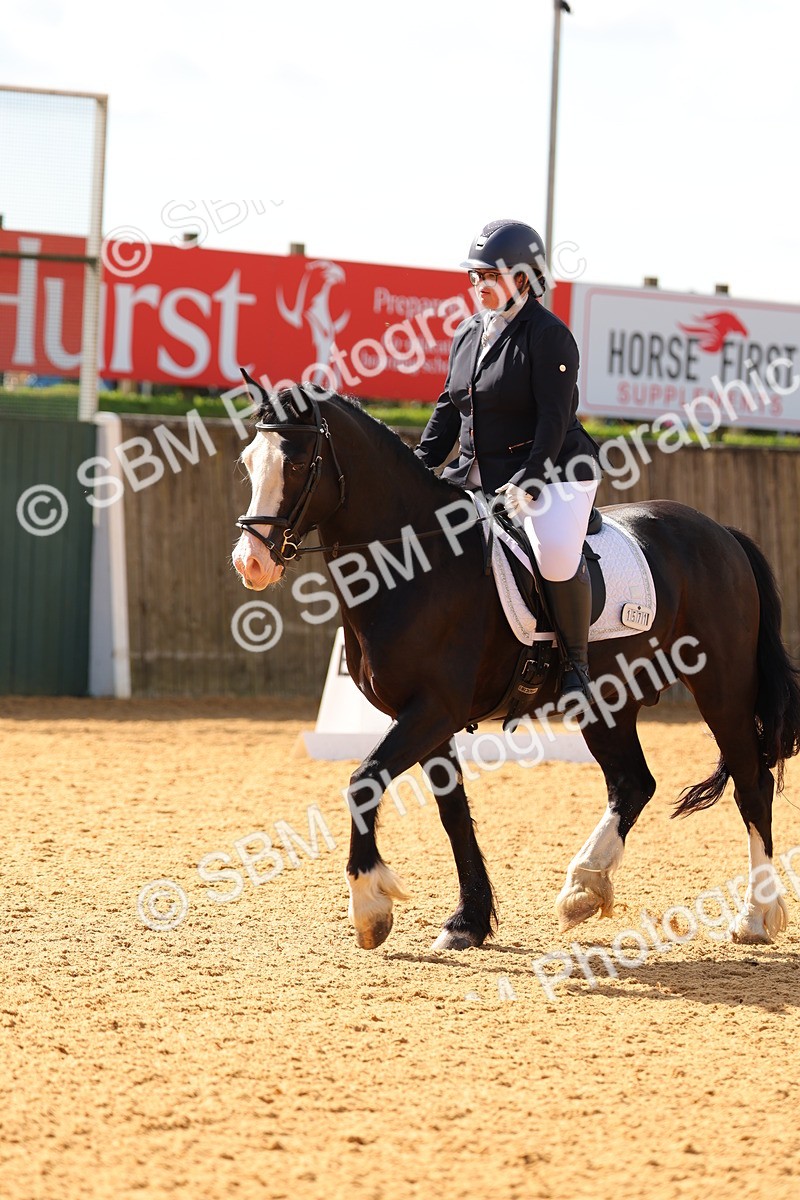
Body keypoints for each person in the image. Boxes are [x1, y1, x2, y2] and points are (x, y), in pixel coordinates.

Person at [414, 218, 602, 703]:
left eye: (489, 277)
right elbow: (447, 409)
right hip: (476, 473)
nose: (478, 286)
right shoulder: (468, 333)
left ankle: (578, 667)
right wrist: (416, 466)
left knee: (555, 556)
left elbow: (553, 420)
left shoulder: (549, 337)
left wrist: (531, 481)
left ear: (522, 279)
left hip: (556, 471)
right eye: (474, 277)